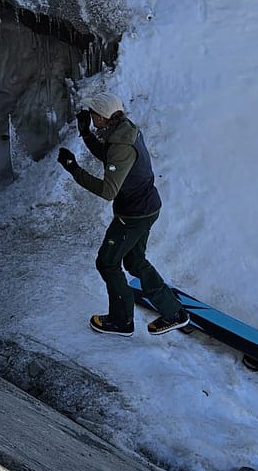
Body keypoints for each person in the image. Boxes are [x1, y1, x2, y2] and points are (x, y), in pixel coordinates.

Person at [57, 92, 189, 336]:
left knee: (107, 262)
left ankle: (121, 321)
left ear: (101, 117)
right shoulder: (124, 129)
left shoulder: (121, 144)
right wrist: (86, 134)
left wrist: (74, 169)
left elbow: (108, 191)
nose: (90, 116)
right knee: (135, 261)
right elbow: (111, 158)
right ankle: (174, 313)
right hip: (145, 207)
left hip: (133, 216)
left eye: (92, 114)